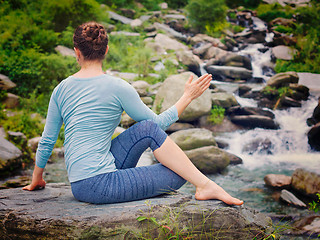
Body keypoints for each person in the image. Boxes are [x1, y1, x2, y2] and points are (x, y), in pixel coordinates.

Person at [23, 21, 243, 206]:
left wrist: (37, 178)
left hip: (81, 182)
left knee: (148, 131)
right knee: (180, 172)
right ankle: (205, 185)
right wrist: (187, 97)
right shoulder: (119, 87)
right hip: (98, 185)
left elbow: (48, 139)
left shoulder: (61, 88)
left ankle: (204, 184)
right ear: (106, 51)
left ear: (76, 52)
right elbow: (159, 123)